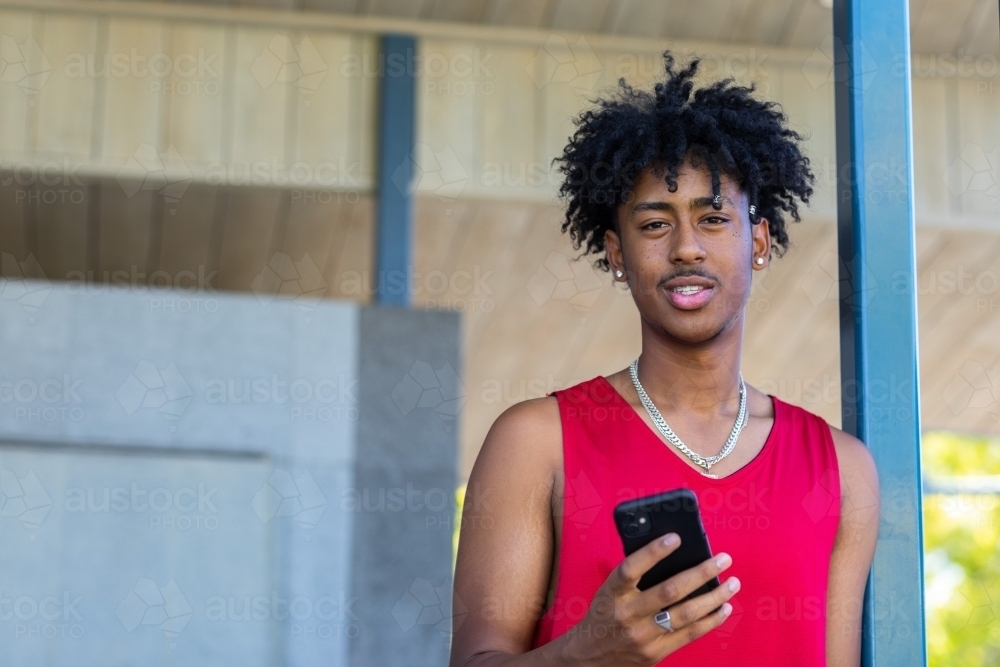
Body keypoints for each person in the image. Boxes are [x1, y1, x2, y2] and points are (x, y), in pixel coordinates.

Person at [450, 52, 880, 667]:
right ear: (617, 253)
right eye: (654, 225)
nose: (685, 248)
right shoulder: (537, 441)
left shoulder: (842, 469)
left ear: (756, 241)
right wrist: (584, 654)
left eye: (712, 218)